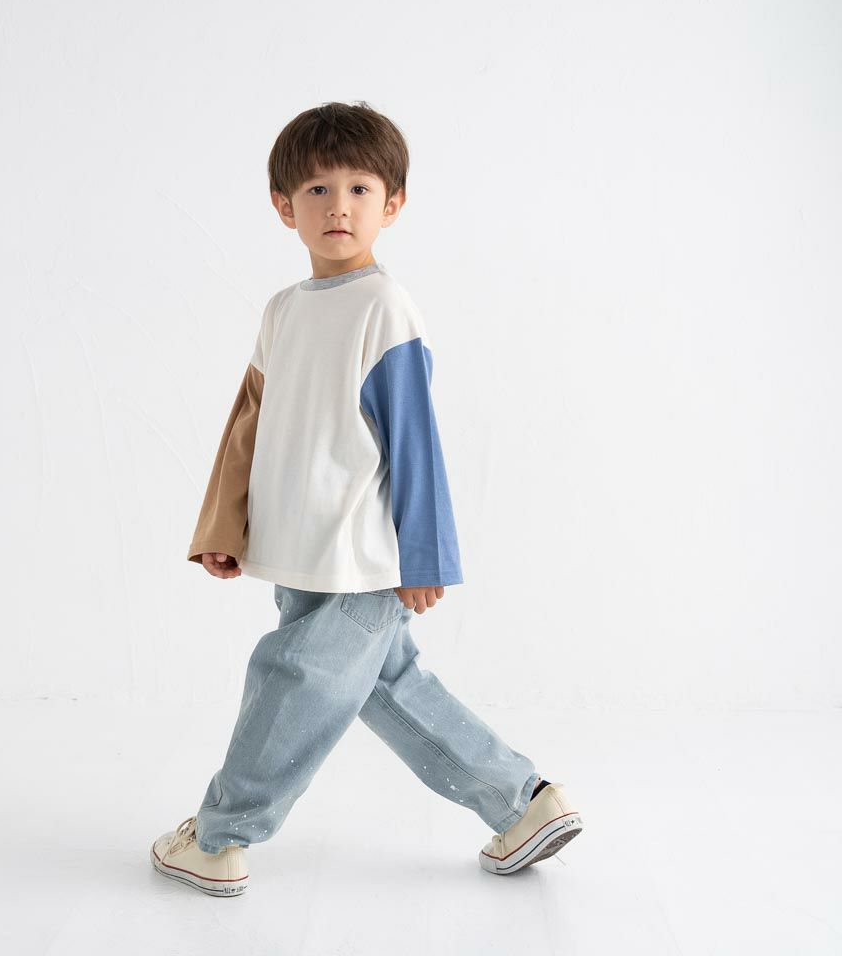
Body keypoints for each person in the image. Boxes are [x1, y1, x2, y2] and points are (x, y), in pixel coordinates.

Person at [149, 101, 583, 897]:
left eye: (359, 188)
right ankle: (522, 804)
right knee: (387, 685)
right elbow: (250, 423)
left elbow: (416, 440)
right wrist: (226, 526)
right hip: (301, 547)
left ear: (394, 204)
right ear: (284, 207)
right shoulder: (284, 310)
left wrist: (424, 557)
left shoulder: (385, 308)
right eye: (317, 190)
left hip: (361, 554)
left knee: (294, 680)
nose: (338, 207)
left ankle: (219, 837)